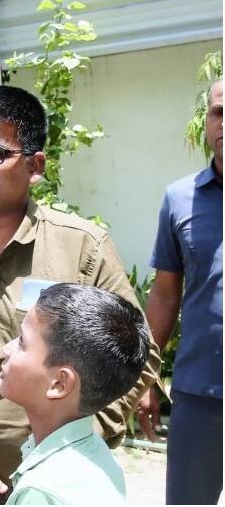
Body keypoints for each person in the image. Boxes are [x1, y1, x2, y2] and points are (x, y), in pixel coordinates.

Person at [0, 85, 161, 503]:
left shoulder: (81, 248)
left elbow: (137, 353)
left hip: (51, 482)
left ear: (35, 165)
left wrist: (82, 435)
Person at [141, 78, 222, 505]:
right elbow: (165, 295)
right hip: (199, 396)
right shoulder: (180, 199)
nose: (224, 123)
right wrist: (146, 377)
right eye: (218, 112)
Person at [1, 283, 150, 505]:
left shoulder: (42, 492)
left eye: (22, 342)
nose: (6, 349)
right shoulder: (97, 454)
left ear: (60, 384)